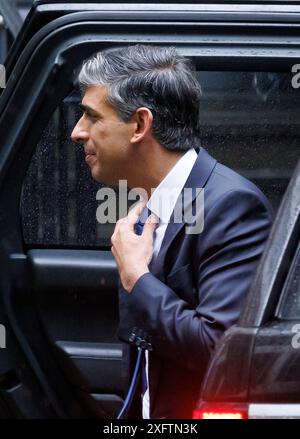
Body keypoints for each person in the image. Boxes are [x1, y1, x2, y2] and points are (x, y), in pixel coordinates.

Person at [71, 44, 274, 419]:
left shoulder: (230, 205)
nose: (76, 132)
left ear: (140, 124)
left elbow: (220, 351)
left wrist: (138, 277)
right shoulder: (151, 204)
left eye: (90, 116)